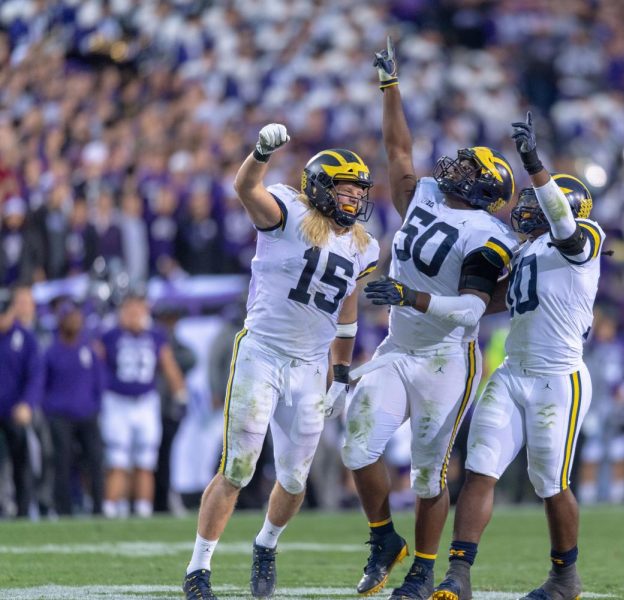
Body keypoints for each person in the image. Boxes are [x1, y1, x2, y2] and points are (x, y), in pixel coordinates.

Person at [340, 38, 518, 600]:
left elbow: (477, 307)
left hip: (446, 358)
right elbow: (397, 147)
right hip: (399, 344)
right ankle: (382, 538)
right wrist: (390, 87)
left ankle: (422, 568)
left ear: (485, 187)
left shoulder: (490, 235)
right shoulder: (427, 195)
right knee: (357, 442)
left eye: (469, 166)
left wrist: (410, 296)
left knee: (427, 474)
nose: (456, 165)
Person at [182, 124, 380, 600]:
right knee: (238, 467)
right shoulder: (287, 210)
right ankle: (198, 569)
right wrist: (260, 153)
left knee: (293, 478)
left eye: (359, 190)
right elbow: (245, 187)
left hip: (311, 366)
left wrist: (340, 372)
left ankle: (266, 545)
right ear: (319, 187)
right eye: (344, 187)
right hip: (263, 353)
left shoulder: (363, 245)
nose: (353, 197)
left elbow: (347, 311)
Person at [431, 111, 605, 600]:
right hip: (512, 373)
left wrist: (532, 161)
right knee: (480, 467)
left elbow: (567, 230)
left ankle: (564, 576)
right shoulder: (525, 251)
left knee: (550, 482)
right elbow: (486, 303)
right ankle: (458, 574)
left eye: (537, 199)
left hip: (558, 378)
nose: (526, 207)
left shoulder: (584, 239)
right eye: (525, 198)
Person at [98, 293, 187, 519]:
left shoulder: (156, 336)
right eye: (130, 309)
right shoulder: (109, 335)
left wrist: (180, 394)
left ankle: (143, 510)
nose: (135, 314)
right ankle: (111, 508)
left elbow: (168, 365)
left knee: (145, 459)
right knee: (117, 458)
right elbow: (96, 368)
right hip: (117, 400)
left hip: (146, 401)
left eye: (139, 309)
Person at [43, 299, 105, 516]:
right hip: (61, 416)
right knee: (62, 463)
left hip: (87, 415)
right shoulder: (51, 352)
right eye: (70, 317)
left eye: (77, 317)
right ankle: (64, 510)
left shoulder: (88, 349)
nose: (74, 321)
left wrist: (95, 407)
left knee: (96, 460)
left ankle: (98, 508)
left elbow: (99, 382)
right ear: (61, 321)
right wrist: (50, 409)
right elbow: (43, 384)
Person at [0, 285, 43, 518]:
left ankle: (24, 511)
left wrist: (27, 403)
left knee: (23, 464)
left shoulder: (25, 338)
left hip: (14, 411)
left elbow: (35, 375)